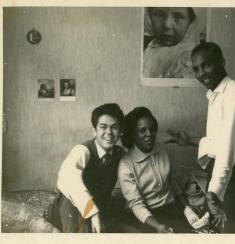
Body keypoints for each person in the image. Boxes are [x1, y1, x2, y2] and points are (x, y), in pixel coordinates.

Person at [166, 42, 235, 232]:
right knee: (214, 231)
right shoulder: (217, 94)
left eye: (207, 65)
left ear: (222, 62)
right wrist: (190, 140)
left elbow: (227, 150)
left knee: (229, 233)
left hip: (233, 175)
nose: (201, 73)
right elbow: (221, 140)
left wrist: (212, 193)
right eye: (196, 69)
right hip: (222, 173)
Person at [44, 103, 127, 233]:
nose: (109, 133)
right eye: (103, 127)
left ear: (121, 131)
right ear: (94, 131)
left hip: (99, 205)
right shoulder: (82, 151)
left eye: (114, 127)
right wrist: (93, 213)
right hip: (72, 204)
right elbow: (70, 181)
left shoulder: (120, 153)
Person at [118, 107, 198, 233]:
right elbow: (136, 204)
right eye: (142, 130)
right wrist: (157, 226)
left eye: (152, 129)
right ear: (132, 134)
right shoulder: (126, 164)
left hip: (170, 209)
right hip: (145, 217)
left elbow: (172, 182)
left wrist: (186, 207)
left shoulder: (162, 149)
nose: (149, 134)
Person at [143, 7, 206, 78]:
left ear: (191, 21)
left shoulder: (188, 58)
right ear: (149, 15)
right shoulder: (151, 45)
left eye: (178, 17)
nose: (167, 25)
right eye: (159, 14)